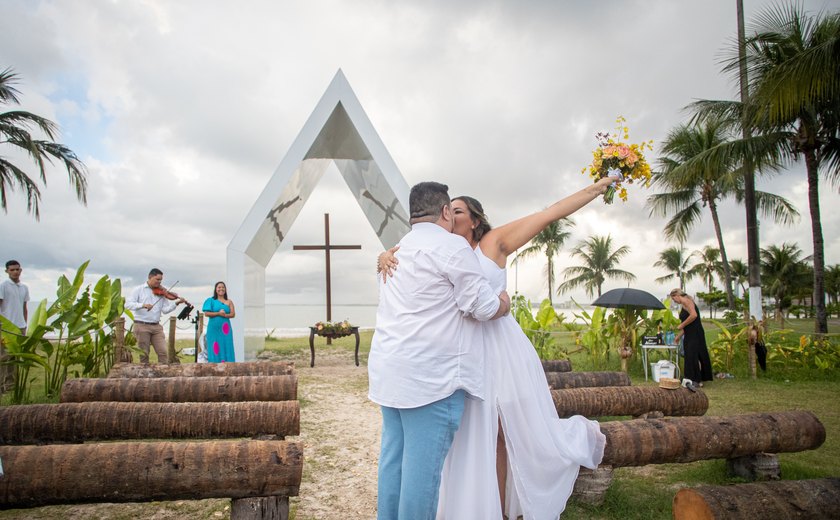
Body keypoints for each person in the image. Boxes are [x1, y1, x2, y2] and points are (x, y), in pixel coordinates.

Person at [379, 177, 613, 519]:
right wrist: (382, 257)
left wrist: (594, 189)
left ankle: (500, 508)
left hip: (499, 351)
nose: (453, 216)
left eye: (460, 211)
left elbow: (547, 215)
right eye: (450, 209)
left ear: (474, 220)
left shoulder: (493, 242)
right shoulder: (424, 248)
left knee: (502, 431)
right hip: (457, 355)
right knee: (458, 440)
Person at [368, 181, 511, 520]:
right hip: (431, 380)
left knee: (394, 465)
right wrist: (503, 304)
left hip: (390, 372)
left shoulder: (395, 251)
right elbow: (480, 305)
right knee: (422, 477)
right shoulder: (452, 247)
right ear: (445, 212)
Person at [125, 268, 187, 364]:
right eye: (157, 280)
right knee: (144, 354)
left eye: (160, 280)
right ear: (150, 277)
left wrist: (176, 303)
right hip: (142, 325)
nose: (159, 282)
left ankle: (162, 374)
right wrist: (142, 305)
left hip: (156, 326)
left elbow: (165, 310)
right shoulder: (138, 289)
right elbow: (128, 304)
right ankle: (145, 376)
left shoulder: (161, 292)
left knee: (163, 352)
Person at [670, 288, 713, 386]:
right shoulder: (683, 305)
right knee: (689, 356)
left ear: (677, 295)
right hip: (689, 333)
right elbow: (688, 325)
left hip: (696, 334)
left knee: (694, 355)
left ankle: (697, 380)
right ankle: (690, 378)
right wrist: (678, 336)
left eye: (674, 299)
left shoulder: (687, 301)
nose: (674, 301)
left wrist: (682, 325)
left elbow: (694, 315)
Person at [202, 281, 236, 363]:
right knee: (214, 346)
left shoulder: (229, 301)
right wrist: (218, 313)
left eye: (223, 287)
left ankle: (228, 365)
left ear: (225, 289)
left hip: (226, 329)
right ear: (216, 289)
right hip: (213, 329)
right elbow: (206, 313)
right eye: (219, 287)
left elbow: (233, 314)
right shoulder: (210, 300)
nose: (221, 289)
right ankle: (214, 365)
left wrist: (224, 315)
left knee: (226, 345)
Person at [0, 260, 30, 334]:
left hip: (21, 326)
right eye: (12, 270)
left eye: (17, 269)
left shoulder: (24, 287)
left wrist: (25, 324)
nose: (15, 272)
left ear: (20, 270)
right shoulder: (3, 286)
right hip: (6, 327)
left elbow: (24, 308)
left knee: (22, 346)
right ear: (7, 271)